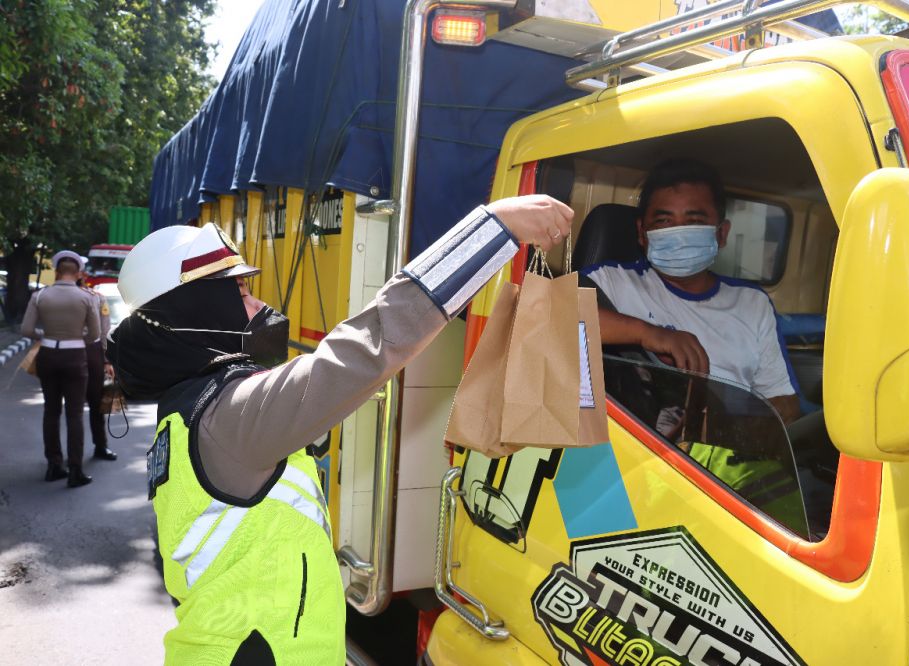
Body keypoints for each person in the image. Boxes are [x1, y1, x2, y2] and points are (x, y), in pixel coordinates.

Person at [106, 195, 572, 664]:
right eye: (242, 294)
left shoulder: (192, 407)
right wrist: (493, 227)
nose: (262, 304)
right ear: (196, 312)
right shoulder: (230, 416)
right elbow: (369, 345)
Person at [580, 159, 800, 424]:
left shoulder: (753, 302)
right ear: (642, 232)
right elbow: (550, 317)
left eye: (694, 221)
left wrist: (727, 428)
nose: (678, 234)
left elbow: (783, 400)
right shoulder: (612, 281)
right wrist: (648, 333)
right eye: (664, 221)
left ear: (721, 234)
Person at [20, 250, 100, 488]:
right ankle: (75, 470)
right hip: (75, 356)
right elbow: (95, 334)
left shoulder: (40, 296)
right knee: (75, 414)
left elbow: (26, 330)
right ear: (78, 273)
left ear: (56, 271)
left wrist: (45, 335)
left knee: (51, 411)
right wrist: (77, 339)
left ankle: (54, 465)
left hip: (48, 355)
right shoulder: (86, 297)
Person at [78, 259, 117, 461]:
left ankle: (69, 457)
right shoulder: (96, 297)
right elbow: (104, 331)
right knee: (95, 403)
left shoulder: (97, 297)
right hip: (91, 352)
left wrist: (106, 360)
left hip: (73, 352)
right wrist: (106, 359)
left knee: (76, 407)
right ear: (82, 275)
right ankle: (100, 446)